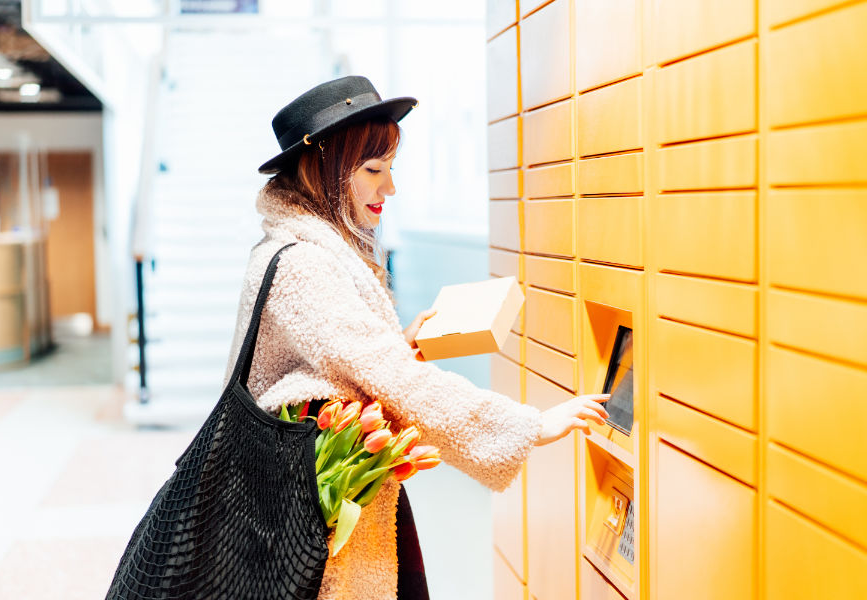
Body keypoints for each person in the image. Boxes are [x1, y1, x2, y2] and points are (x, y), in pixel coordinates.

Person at [224, 75, 609, 600]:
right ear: (323, 170)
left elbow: (325, 365)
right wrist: (529, 425)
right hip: (316, 522)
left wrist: (393, 344)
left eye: (391, 169)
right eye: (373, 170)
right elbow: (393, 379)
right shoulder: (305, 264)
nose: (390, 188)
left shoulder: (296, 247)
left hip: (316, 503)